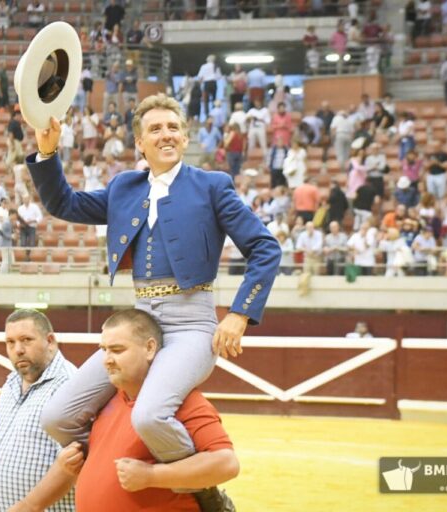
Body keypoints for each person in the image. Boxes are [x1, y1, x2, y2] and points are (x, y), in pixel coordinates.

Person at [27, 93, 279, 506]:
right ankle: (115, 466)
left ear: (185, 138)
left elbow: (265, 248)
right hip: (140, 322)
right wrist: (48, 151)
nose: (166, 135)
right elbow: (63, 203)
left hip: (191, 324)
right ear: (140, 143)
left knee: (148, 415)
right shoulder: (124, 187)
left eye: (173, 128)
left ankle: (204, 492)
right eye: (156, 129)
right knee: (57, 417)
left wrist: (239, 314)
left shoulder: (212, 186)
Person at [13, 309, 239, 512]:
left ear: (150, 348)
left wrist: (151, 476)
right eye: (104, 350)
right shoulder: (105, 401)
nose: (107, 361)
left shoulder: (183, 402)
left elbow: (226, 464)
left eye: (117, 350)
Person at [0, 309, 76, 512]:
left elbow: (74, 463)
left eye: (26, 340)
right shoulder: (11, 383)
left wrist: (29, 506)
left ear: (50, 341)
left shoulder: (69, 386)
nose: (18, 350)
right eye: (10, 342)